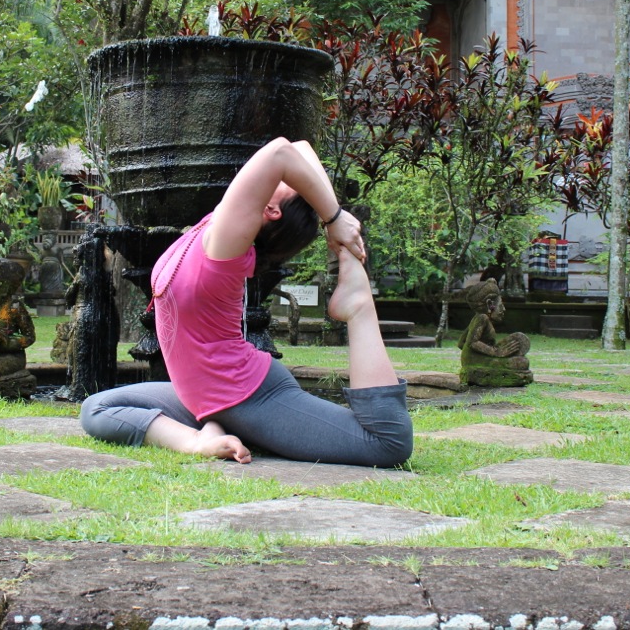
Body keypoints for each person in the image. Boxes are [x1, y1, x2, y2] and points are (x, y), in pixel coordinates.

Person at [80, 137, 412, 467]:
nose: (294, 177)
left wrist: (335, 218)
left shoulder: (226, 242)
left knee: (387, 443)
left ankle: (357, 304)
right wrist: (333, 221)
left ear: (270, 210)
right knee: (96, 409)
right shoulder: (217, 224)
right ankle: (202, 437)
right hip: (202, 397)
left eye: (286, 182)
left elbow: (281, 153)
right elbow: (300, 148)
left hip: (248, 395)